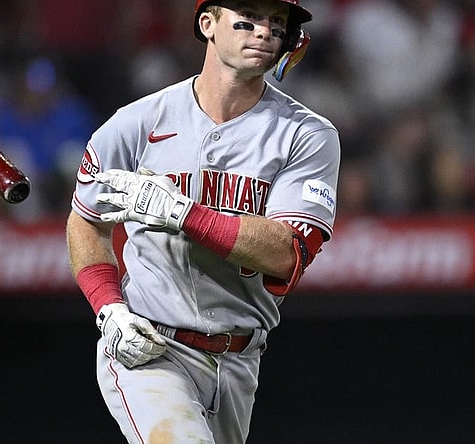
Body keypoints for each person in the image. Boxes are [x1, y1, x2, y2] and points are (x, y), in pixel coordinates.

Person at [66, 1, 340, 442]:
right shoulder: (136, 123)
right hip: (152, 347)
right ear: (207, 24)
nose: (264, 32)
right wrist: (108, 307)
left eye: (278, 23)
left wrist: (182, 213)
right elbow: (86, 220)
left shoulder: (307, 134)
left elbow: (286, 254)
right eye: (249, 17)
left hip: (240, 357)